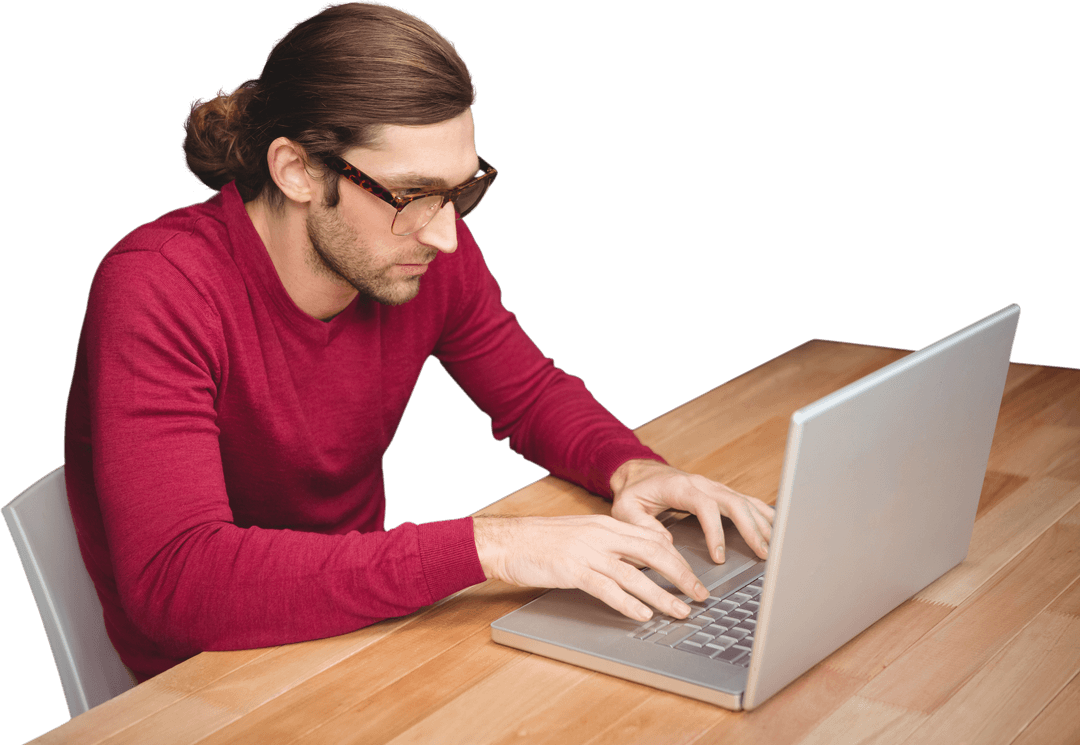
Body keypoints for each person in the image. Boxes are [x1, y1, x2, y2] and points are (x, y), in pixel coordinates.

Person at [63, 2, 774, 682]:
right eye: (412, 195)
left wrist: (632, 469)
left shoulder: (417, 250)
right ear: (296, 171)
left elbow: (527, 394)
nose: (445, 234)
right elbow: (177, 585)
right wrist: (493, 544)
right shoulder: (157, 287)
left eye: (460, 192)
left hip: (366, 628)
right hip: (212, 677)